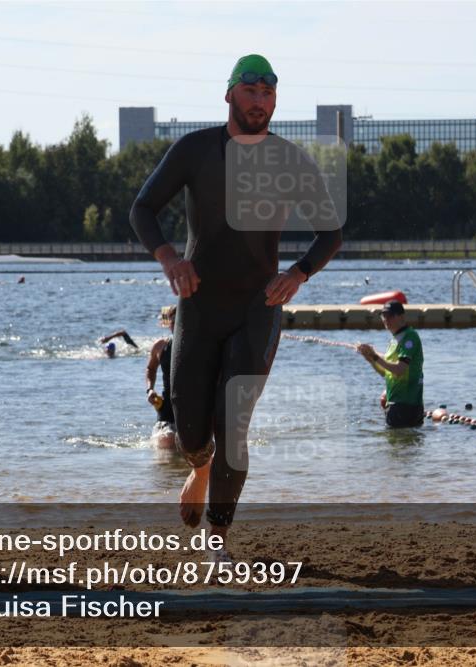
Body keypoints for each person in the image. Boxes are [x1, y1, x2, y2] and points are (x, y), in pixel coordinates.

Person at [129, 54, 342, 555]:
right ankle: (198, 471)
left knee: (234, 421)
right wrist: (167, 258)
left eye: (268, 93)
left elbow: (330, 232)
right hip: (199, 308)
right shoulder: (195, 150)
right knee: (190, 432)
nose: (260, 101)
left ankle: (217, 538)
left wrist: (298, 273)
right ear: (229, 95)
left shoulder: (288, 159)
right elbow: (142, 208)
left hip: (256, 308)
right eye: (250, 90)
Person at [356, 300, 424, 428]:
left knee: (401, 445)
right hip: (394, 405)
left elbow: (400, 369)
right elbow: (386, 372)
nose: (386, 319)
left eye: (390, 316)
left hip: (407, 405)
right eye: (384, 316)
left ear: (402, 316)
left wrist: (375, 356)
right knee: (395, 447)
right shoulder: (394, 340)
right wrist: (369, 358)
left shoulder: (410, 337)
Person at [146, 306, 177, 449]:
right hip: (166, 408)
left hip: (193, 408)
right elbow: (150, 369)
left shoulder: (199, 345)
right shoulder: (160, 346)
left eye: (180, 321)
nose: (176, 325)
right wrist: (150, 390)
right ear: (168, 323)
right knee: (167, 441)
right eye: (173, 321)